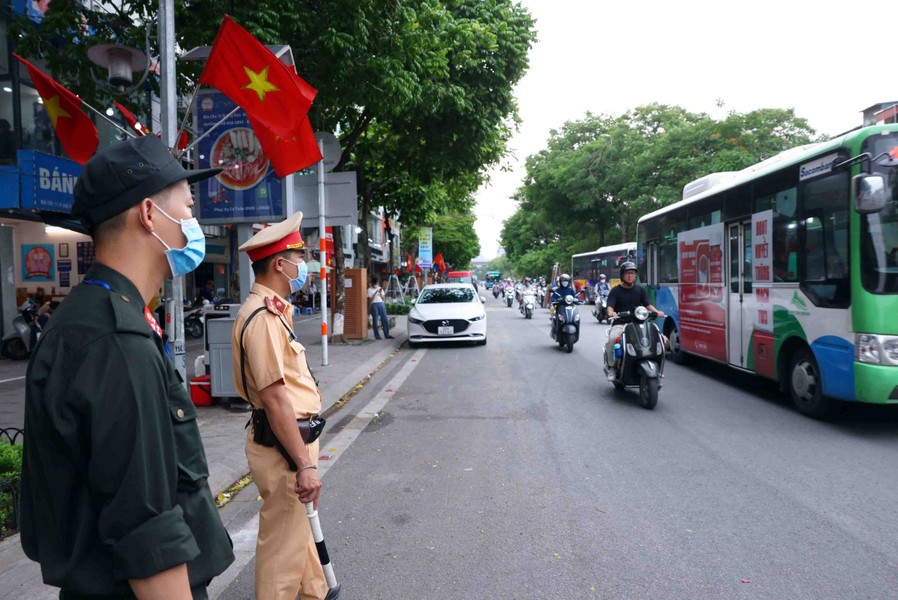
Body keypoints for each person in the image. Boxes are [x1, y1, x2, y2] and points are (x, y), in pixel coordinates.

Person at [20, 135, 234, 599]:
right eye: (188, 207)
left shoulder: (99, 315)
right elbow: (146, 529)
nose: (193, 222)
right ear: (149, 215)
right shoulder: (115, 341)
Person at [231, 212, 333, 600]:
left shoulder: (274, 313)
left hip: (290, 443)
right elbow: (275, 399)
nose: (304, 264)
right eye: (300, 255)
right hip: (285, 448)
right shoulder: (262, 319)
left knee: (299, 542)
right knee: (281, 555)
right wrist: (304, 465)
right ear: (280, 264)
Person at [605, 262, 665, 380]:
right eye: (627, 273)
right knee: (612, 339)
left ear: (635, 275)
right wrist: (611, 313)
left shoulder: (640, 290)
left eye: (632, 273)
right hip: (621, 324)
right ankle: (612, 367)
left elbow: (648, 305)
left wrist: (657, 312)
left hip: (639, 323)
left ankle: (656, 366)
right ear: (622, 275)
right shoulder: (615, 291)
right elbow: (610, 306)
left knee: (662, 339)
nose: (630, 276)